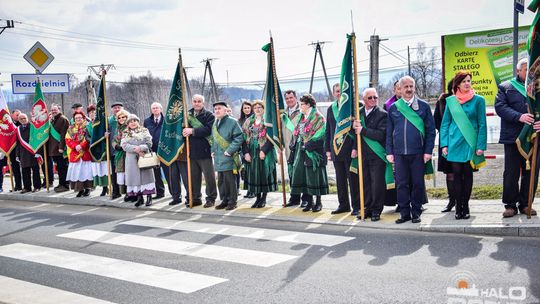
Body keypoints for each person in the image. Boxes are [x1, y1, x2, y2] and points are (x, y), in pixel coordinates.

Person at [386, 76, 435, 224]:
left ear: (414, 88)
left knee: (418, 183)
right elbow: (389, 132)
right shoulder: (394, 107)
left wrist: (428, 151)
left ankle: (416, 212)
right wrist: (389, 152)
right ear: (399, 89)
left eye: (411, 86)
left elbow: (430, 131)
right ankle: (404, 213)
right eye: (405, 86)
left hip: (418, 153)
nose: (408, 89)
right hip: (400, 154)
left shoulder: (424, 106)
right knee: (401, 184)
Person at [440, 71, 487, 220]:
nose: (467, 83)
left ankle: (465, 206)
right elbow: (445, 124)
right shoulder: (451, 101)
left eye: (469, 81)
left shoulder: (479, 100)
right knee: (456, 176)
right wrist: (444, 144)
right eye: (464, 81)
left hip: (470, 142)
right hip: (454, 143)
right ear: (458, 84)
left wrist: (481, 145)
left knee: (467, 175)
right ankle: (457, 206)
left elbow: (482, 124)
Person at [495, 58, 538, 217]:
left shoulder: (537, 87)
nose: (529, 72)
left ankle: (526, 204)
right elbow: (500, 107)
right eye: (526, 69)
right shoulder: (506, 86)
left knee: (531, 172)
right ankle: (510, 205)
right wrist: (519, 117)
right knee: (511, 173)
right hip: (512, 137)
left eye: (531, 69)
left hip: (533, 137)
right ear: (518, 70)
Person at [353, 88, 388, 221]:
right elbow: (355, 135)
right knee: (365, 183)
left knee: (377, 183)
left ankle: (376, 210)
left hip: (377, 154)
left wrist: (363, 130)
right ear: (364, 99)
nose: (373, 100)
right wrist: (355, 148)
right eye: (370, 98)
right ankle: (366, 208)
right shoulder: (358, 114)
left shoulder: (382, 114)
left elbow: (380, 135)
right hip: (363, 154)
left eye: (375, 97)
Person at [289, 94, 329, 212]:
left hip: (314, 151)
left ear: (308, 105)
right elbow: (297, 132)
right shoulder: (301, 117)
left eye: (302, 104)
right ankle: (309, 202)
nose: (300, 106)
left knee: (315, 176)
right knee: (306, 177)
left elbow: (321, 135)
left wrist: (308, 145)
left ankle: (319, 202)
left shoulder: (318, 117)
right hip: (301, 151)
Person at [325, 83, 360, 215]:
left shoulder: (353, 107)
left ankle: (356, 206)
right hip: (336, 149)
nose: (339, 94)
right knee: (340, 180)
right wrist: (327, 150)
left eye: (341, 91)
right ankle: (343, 205)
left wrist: (356, 147)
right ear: (334, 93)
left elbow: (357, 130)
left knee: (353, 180)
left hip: (350, 150)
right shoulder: (331, 109)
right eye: (337, 91)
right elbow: (328, 130)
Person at [181, 94, 218, 208]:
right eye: (195, 101)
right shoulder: (187, 115)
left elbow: (207, 130)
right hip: (191, 151)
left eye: (199, 101)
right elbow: (182, 129)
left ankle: (211, 198)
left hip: (205, 151)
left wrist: (192, 131)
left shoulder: (209, 115)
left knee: (209, 177)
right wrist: (184, 132)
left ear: (203, 103)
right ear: (192, 102)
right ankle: (196, 198)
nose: (197, 103)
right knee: (194, 177)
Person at [242, 100, 277, 208]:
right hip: (252, 150)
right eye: (255, 107)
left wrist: (264, 151)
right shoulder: (249, 121)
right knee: (254, 174)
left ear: (263, 109)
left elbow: (272, 139)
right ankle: (257, 198)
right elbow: (243, 138)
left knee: (263, 174)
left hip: (264, 150)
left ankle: (264, 198)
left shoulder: (267, 121)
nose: (257, 109)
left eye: (259, 107)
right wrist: (246, 152)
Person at [212, 101, 244, 210]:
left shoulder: (233, 122)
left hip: (228, 156)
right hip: (218, 157)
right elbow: (213, 139)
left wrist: (230, 150)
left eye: (219, 108)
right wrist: (212, 150)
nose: (217, 111)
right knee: (221, 181)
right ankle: (224, 200)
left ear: (226, 110)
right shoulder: (215, 122)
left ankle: (232, 201)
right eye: (215, 109)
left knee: (230, 181)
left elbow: (239, 137)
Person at [121, 114, 156, 207]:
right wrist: (135, 149)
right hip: (132, 159)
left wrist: (141, 148)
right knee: (135, 179)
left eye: (134, 121)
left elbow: (149, 143)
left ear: (138, 122)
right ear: (128, 124)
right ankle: (140, 198)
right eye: (130, 121)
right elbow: (124, 146)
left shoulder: (144, 131)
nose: (133, 123)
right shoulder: (125, 133)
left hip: (144, 157)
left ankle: (149, 197)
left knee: (146, 178)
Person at [282, 90, 309, 208]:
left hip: (299, 147)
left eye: (291, 98)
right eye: (287, 98)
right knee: (292, 174)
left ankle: (306, 199)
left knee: (302, 174)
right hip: (288, 148)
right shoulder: (283, 114)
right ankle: (294, 198)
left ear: (296, 98)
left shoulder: (302, 111)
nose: (289, 100)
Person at [434, 79, 456, 213]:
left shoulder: (469, 99)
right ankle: (451, 201)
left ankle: (463, 201)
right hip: (447, 142)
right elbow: (436, 121)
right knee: (450, 174)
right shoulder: (443, 101)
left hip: (463, 142)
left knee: (464, 174)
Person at [65, 111, 93, 197]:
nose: (78, 119)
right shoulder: (71, 128)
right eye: (76, 118)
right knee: (77, 172)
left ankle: (87, 189)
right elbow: (67, 139)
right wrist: (75, 146)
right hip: (75, 153)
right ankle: (80, 189)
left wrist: (81, 146)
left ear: (83, 118)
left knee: (86, 172)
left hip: (85, 152)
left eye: (80, 118)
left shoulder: (87, 127)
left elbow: (88, 138)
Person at [143, 102, 167, 200]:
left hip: (165, 150)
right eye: (153, 108)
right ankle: (160, 192)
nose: (155, 109)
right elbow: (145, 135)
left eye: (157, 108)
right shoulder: (147, 121)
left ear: (161, 109)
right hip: (152, 151)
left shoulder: (167, 120)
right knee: (156, 174)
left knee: (169, 173)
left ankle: (175, 194)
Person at [16, 113, 41, 193]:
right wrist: (17, 154)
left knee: (35, 171)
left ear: (27, 118)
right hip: (23, 153)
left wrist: (38, 152)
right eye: (21, 119)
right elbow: (18, 143)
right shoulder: (18, 129)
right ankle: (27, 187)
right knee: (25, 171)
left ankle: (37, 186)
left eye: (24, 118)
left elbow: (37, 140)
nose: (23, 120)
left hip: (32, 152)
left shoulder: (33, 127)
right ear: (19, 120)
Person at [48, 104, 70, 193]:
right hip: (54, 149)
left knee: (63, 167)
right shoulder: (53, 120)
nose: (53, 111)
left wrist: (61, 147)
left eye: (55, 110)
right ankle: (61, 183)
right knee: (59, 168)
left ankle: (65, 184)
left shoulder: (63, 119)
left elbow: (63, 134)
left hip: (60, 149)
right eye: (52, 110)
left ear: (59, 110)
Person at [238, 100, 255, 199]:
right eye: (245, 108)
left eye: (248, 107)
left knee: (252, 169)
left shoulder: (254, 119)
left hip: (252, 146)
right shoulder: (240, 121)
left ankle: (252, 190)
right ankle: (248, 190)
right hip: (243, 148)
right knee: (246, 170)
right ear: (242, 109)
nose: (247, 109)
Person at [112, 109, 130, 200]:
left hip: (128, 153)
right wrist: (116, 146)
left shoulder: (129, 127)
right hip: (120, 154)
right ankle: (124, 192)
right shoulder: (117, 129)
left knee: (129, 173)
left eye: (123, 117)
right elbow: (114, 140)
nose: (121, 119)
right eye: (119, 118)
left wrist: (124, 146)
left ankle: (130, 192)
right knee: (122, 174)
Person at [108, 101, 124, 199]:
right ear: (112, 109)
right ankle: (115, 191)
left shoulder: (127, 118)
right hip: (113, 150)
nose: (117, 109)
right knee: (114, 172)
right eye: (115, 108)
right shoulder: (109, 121)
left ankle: (127, 192)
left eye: (119, 107)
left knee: (125, 172)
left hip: (125, 151)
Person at [10, 109, 22, 191]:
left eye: (19, 115)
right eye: (17, 115)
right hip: (12, 150)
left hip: (22, 149)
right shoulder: (9, 124)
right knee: (15, 168)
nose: (18, 117)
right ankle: (18, 186)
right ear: (12, 115)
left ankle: (27, 186)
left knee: (25, 169)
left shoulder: (23, 123)